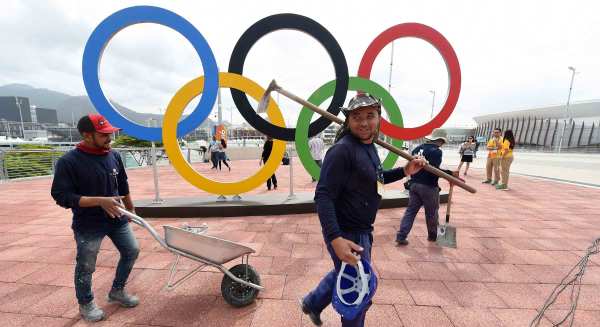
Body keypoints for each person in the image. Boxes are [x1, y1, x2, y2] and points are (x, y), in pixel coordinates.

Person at [300, 94, 425, 327]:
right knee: (358, 294)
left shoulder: (369, 147)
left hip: (362, 230)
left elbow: (376, 179)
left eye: (370, 116)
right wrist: (335, 239)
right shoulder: (342, 151)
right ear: (348, 121)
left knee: (346, 273)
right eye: (357, 117)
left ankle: (312, 303)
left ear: (379, 119)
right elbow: (323, 196)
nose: (364, 122)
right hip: (347, 233)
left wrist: (406, 170)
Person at [50, 114, 140, 322]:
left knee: (131, 251)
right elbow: (61, 196)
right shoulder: (69, 162)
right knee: (86, 264)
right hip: (88, 224)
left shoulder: (114, 155)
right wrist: (99, 200)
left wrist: (131, 210)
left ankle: (117, 290)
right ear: (87, 135)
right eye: (104, 135)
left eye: (110, 133)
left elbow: (123, 186)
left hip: (117, 218)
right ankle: (86, 303)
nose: (110, 138)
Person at [395, 129, 458, 245]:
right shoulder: (437, 152)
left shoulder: (417, 149)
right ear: (440, 140)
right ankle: (433, 236)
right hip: (428, 186)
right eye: (442, 142)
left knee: (410, 211)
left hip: (414, 184)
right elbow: (433, 170)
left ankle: (401, 235)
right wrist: (450, 173)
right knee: (432, 213)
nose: (442, 145)